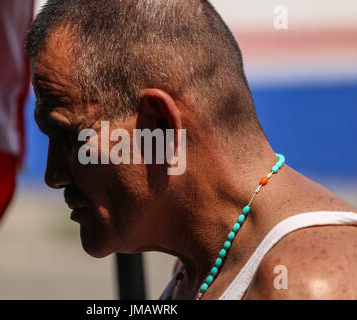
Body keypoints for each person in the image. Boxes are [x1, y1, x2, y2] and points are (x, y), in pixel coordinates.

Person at [26, 0, 357, 299]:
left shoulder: (309, 284)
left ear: (160, 126)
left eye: (71, 138)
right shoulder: (195, 269)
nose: (53, 176)